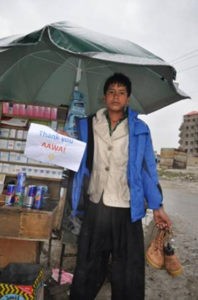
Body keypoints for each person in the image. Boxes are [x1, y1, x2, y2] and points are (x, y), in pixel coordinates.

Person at [68, 73, 172, 300]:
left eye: (121, 92)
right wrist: (60, 142)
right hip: (96, 205)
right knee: (88, 263)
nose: (116, 96)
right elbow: (74, 156)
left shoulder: (139, 129)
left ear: (128, 98)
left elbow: (146, 171)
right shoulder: (87, 124)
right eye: (112, 92)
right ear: (105, 96)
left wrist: (157, 206)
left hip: (126, 208)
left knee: (127, 269)